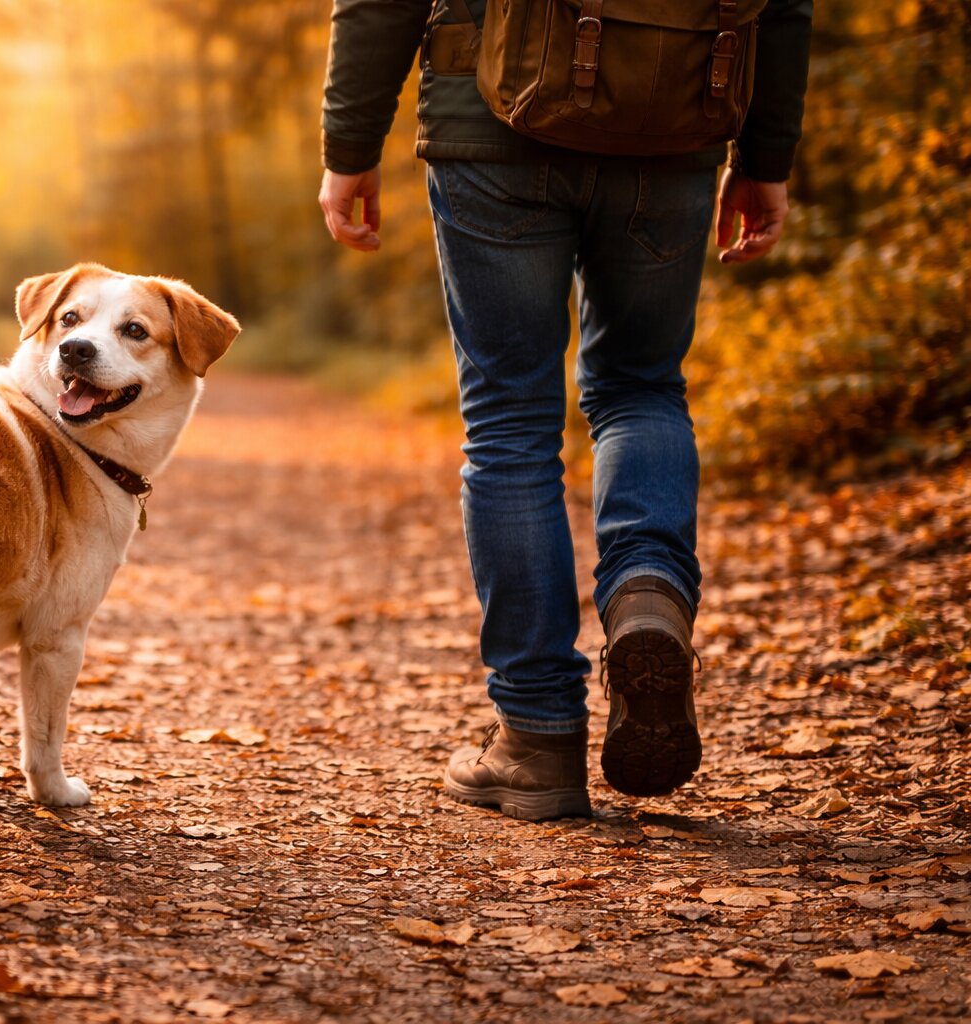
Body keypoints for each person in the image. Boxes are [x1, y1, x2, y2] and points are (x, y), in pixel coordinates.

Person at [319, 0, 813, 818]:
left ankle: (537, 735)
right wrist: (766, 156)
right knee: (641, 385)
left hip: (491, 119)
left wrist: (349, 146)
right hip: (676, 115)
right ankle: (647, 592)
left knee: (510, 421)